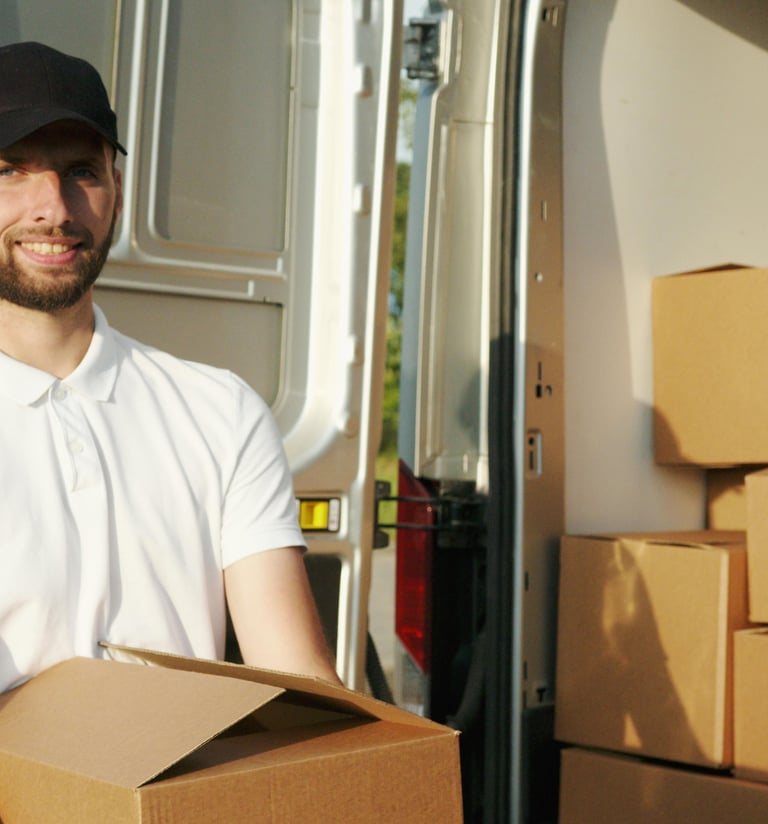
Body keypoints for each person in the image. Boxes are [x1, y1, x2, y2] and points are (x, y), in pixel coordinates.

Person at [0, 41, 340, 691]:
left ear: (118, 194)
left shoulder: (221, 413)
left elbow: (297, 678)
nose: (55, 209)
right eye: (10, 170)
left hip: (186, 765)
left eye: (81, 171)